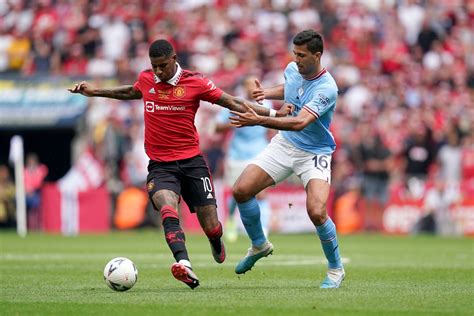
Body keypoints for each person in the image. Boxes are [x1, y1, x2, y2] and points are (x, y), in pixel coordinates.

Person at [68, 39, 290, 289]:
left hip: (192, 163)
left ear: (174, 58)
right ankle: (184, 264)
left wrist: (274, 114)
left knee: (211, 225)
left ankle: (215, 240)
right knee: (167, 206)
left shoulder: (196, 82)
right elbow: (130, 91)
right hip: (160, 165)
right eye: (154, 67)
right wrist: (95, 91)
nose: (158, 72)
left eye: (162, 65)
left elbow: (233, 103)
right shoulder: (147, 79)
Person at [230, 30, 345, 288]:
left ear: (318, 55)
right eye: (295, 53)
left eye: (302, 55)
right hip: (285, 145)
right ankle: (259, 245)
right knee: (241, 190)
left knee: (316, 211)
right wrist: (266, 93)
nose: (296, 59)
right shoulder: (293, 69)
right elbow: (291, 88)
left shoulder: (328, 88)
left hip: (314, 153)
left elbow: (300, 122)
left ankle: (336, 269)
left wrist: (259, 119)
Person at [215, 75, 274, 242]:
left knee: (261, 193)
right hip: (237, 155)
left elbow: (273, 129)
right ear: (243, 87)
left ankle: (263, 230)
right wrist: (234, 123)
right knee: (237, 192)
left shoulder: (266, 105)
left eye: (255, 85)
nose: (252, 88)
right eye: (249, 85)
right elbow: (217, 127)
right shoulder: (234, 105)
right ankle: (231, 218)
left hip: (260, 154)